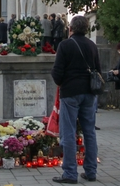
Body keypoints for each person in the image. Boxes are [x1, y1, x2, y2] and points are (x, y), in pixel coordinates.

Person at [51, 15, 99, 183]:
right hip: (89, 93)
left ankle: (70, 173)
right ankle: (91, 171)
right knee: (89, 132)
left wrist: (62, 81)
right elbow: (98, 70)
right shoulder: (92, 46)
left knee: (68, 132)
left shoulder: (65, 45)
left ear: (70, 28)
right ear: (86, 29)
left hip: (70, 93)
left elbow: (57, 72)